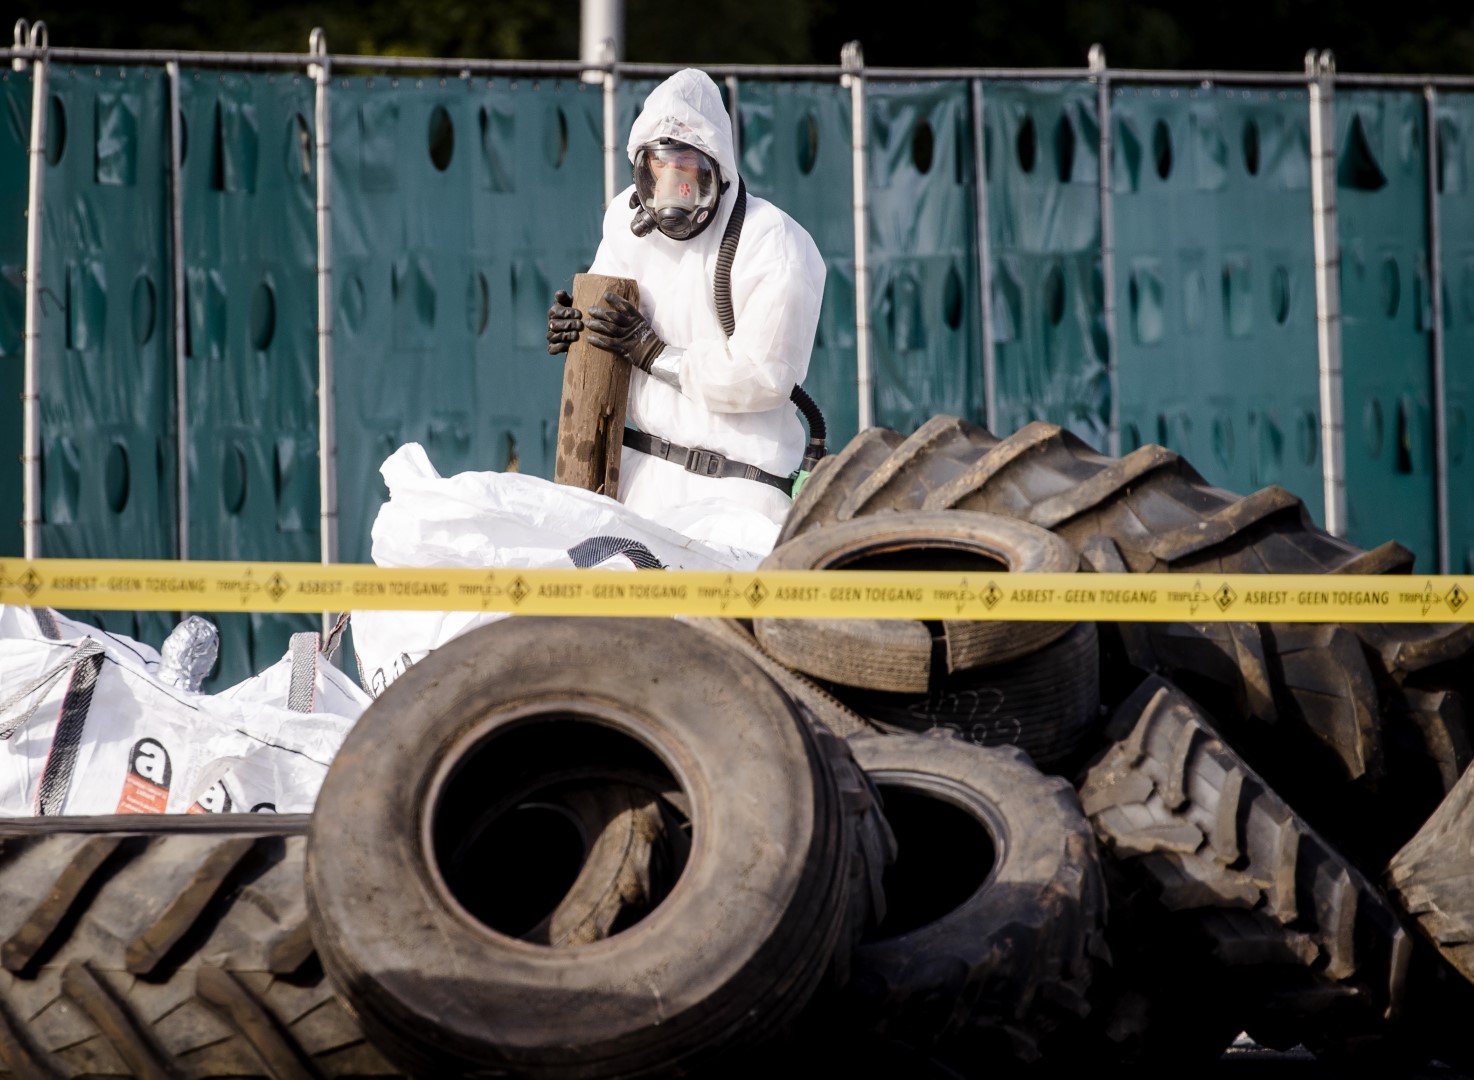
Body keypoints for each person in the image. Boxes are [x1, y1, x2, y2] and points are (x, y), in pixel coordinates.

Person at [546, 67, 826, 551]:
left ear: (718, 171)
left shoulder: (772, 243)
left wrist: (654, 353)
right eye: (660, 171)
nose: (674, 195)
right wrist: (577, 328)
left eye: (690, 174)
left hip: (739, 499)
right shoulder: (626, 220)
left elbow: (765, 376)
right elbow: (608, 312)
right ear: (643, 172)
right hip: (638, 487)